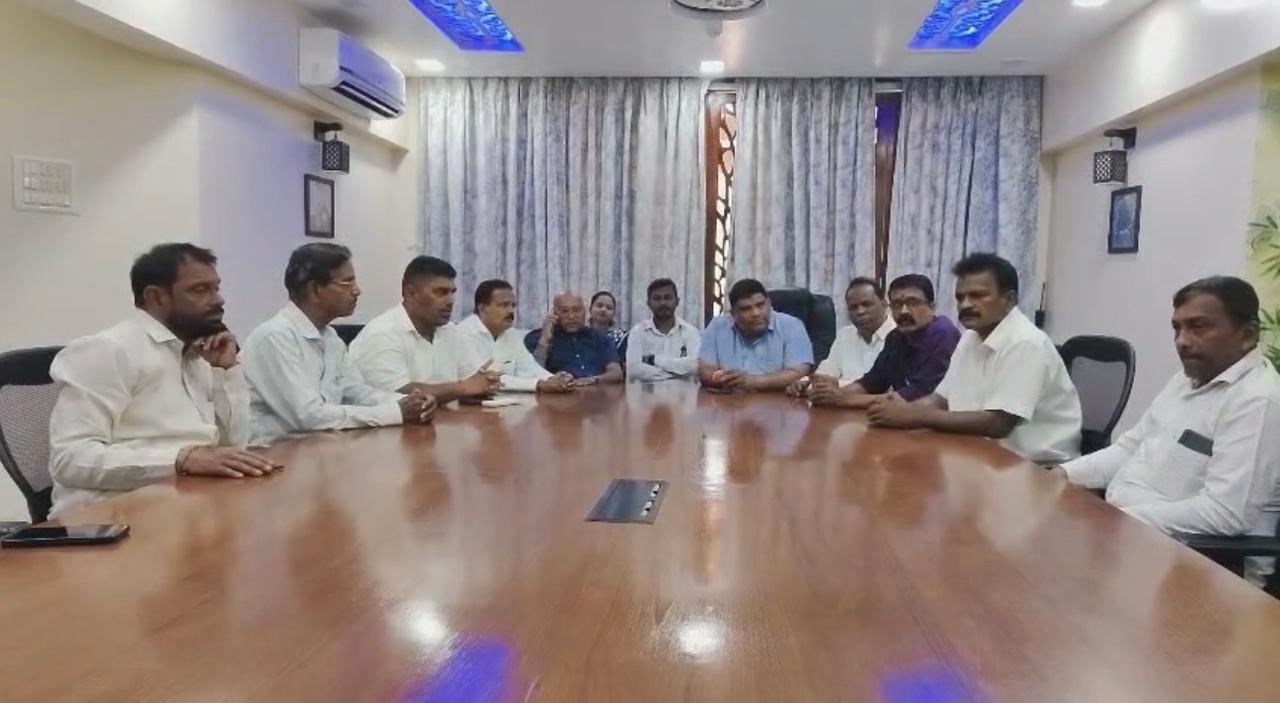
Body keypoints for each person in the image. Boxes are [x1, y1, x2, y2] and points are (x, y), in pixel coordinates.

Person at [46, 244, 281, 517]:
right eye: (200, 290)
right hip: (113, 516)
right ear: (156, 297)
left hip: (189, 502)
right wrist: (181, 459)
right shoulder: (108, 350)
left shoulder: (197, 353)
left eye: (216, 288)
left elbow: (235, 445)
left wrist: (225, 372)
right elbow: (69, 459)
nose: (218, 300)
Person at [1056, 277, 1280, 543]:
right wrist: (1061, 474)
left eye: (1198, 327)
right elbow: (1129, 449)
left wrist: (1115, 520)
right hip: (1130, 530)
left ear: (1247, 335)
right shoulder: (1186, 379)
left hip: (1196, 555)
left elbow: (1225, 514)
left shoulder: (1257, 400)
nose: (1182, 341)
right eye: (1177, 328)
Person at [868, 253, 1081, 464]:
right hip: (979, 455)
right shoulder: (970, 337)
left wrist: (913, 416)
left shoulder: (1025, 343)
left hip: (1036, 468)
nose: (965, 305)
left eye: (978, 296)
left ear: (1009, 300)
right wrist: (898, 410)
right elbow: (940, 400)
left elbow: (998, 424)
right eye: (960, 298)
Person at [240, 243, 436, 444]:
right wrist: (394, 412)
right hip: (274, 454)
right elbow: (308, 416)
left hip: (321, 447)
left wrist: (411, 402)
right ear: (315, 290)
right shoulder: (275, 337)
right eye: (347, 282)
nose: (357, 291)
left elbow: (357, 393)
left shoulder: (331, 338)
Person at [349, 256, 503, 403]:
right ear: (411, 293)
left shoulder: (450, 330)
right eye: (441, 292)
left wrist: (485, 384)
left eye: (452, 292)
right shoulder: (382, 333)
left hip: (444, 418)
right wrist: (463, 388)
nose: (451, 301)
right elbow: (398, 394)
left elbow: (472, 380)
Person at [803, 274, 961, 409]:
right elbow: (871, 383)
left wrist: (842, 399)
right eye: (897, 305)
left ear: (932, 307)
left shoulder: (943, 333)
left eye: (912, 303)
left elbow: (919, 395)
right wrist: (828, 395)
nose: (904, 311)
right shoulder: (896, 337)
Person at [457, 279, 575, 393]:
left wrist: (557, 379)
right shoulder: (464, 333)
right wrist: (539, 384)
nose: (511, 311)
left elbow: (529, 368)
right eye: (504, 305)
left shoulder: (511, 334)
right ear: (482, 308)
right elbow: (486, 380)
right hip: (471, 404)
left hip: (507, 401)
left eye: (513, 305)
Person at [698, 278, 814, 392]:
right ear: (733, 313)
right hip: (729, 399)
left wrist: (751, 382)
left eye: (760, 305)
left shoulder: (792, 326)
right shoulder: (718, 326)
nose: (755, 313)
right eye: (746, 309)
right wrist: (721, 379)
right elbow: (705, 369)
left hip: (777, 400)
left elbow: (799, 373)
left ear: (769, 303)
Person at [787, 277, 895, 397]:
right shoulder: (845, 335)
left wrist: (837, 384)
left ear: (884, 304)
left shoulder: (899, 337)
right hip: (839, 405)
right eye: (853, 307)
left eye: (866, 305)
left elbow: (891, 389)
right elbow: (826, 373)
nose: (860, 311)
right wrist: (805, 383)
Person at [524, 292, 624, 385]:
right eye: (565, 311)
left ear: (585, 312)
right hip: (559, 394)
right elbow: (532, 375)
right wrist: (544, 340)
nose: (571, 316)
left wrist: (592, 380)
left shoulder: (600, 338)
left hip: (596, 392)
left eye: (576, 310)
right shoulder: (536, 337)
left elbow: (616, 373)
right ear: (554, 313)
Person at [626, 278, 701, 383]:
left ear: (677, 301)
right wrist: (677, 374)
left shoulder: (691, 332)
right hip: (646, 393)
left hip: (683, 393)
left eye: (668, 297)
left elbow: (695, 365)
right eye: (657, 298)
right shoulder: (637, 332)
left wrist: (654, 360)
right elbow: (634, 370)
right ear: (648, 303)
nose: (663, 303)